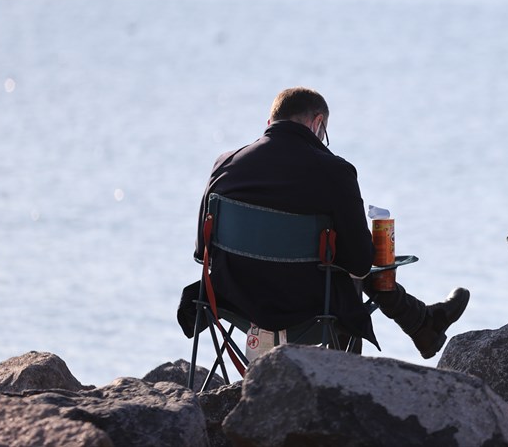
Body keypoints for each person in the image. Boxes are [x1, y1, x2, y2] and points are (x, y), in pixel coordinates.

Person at [182, 87, 469, 359]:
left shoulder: (225, 163)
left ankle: (423, 325)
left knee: (336, 256)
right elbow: (359, 263)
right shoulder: (335, 172)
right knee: (347, 268)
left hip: (231, 299)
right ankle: (413, 331)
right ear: (318, 123)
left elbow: (201, 250)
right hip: (306, 307)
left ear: (270, 121)